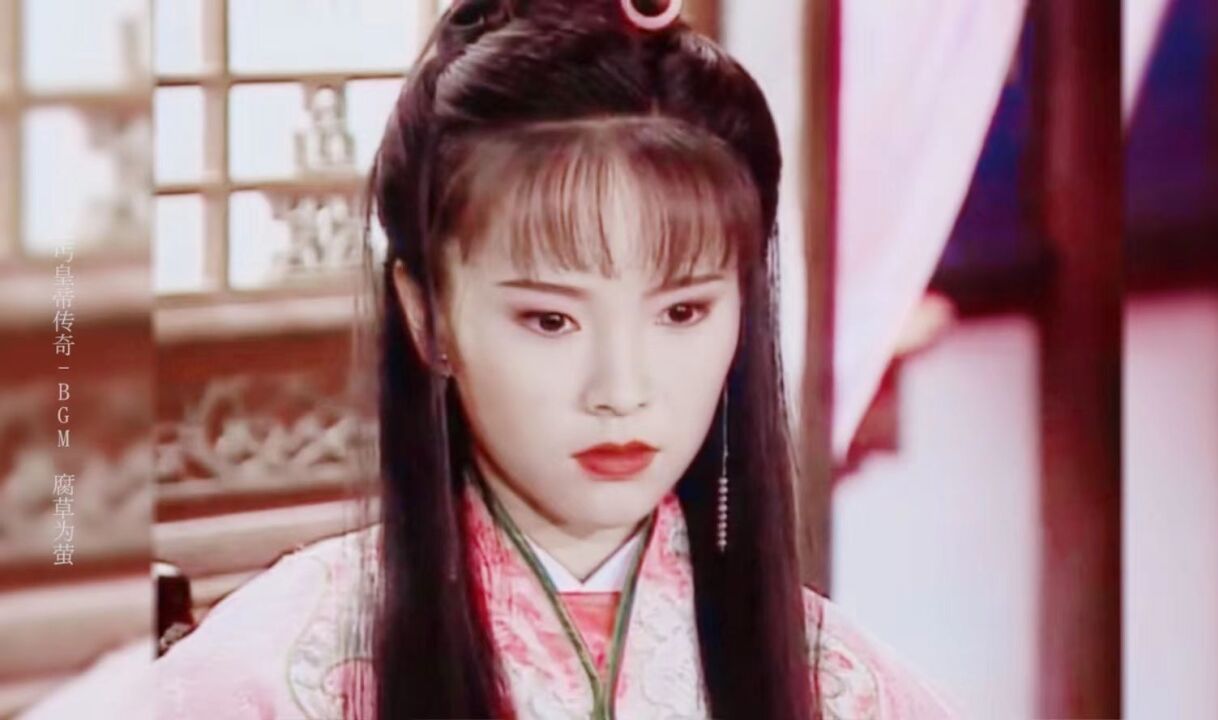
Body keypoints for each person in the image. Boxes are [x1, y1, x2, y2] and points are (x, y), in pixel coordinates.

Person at [145, 0, 956, 717]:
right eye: (550, 319)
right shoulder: (280, 675)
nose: (621, 390)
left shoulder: (834, 685)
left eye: (681, 312)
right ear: (428, 318)